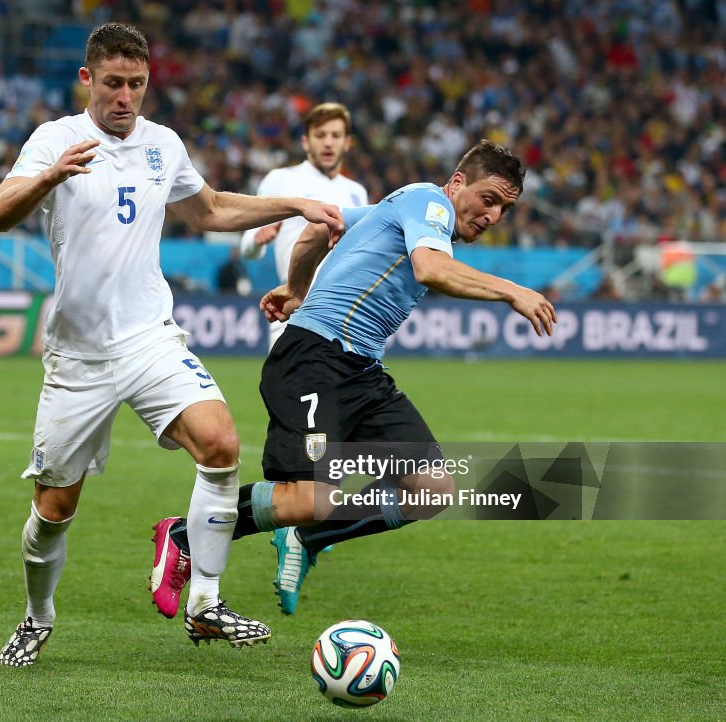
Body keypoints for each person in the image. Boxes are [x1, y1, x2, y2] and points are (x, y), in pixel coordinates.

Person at [0, 22, 344, 667]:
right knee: (55, 506)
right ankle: (37, 617)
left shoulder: (162, 144)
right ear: (87, 79)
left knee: (221, 443)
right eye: (114, 83)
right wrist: (48, 178)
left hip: (150, 338)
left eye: (138, 84)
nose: (126, 96)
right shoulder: (55, 139)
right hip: (79, 357)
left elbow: (208, 210)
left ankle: (206, 602)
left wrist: (293, 206)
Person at [150, 140, 557, 616]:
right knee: (309, 497)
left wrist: (296, 289)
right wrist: (512, 291)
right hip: (313, 361)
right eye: (489, 199)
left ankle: (310, 537)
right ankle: (183, 533)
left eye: (504, 209)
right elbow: (430, 270)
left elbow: (318, 229)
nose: (493, 216)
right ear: (458, 182)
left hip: (361, 370)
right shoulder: (430, 203)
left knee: (431, 489)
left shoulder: (398, 204)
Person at [240, 102, 368, 351]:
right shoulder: (280, 180)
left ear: (347, 142)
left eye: (335, 135)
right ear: (306, 142)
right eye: (320, 136)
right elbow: (247, 248)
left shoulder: (356, 192)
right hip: (293, 309)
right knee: (292, 390)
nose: (328, 143)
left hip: (344, 314)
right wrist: (257, 240)